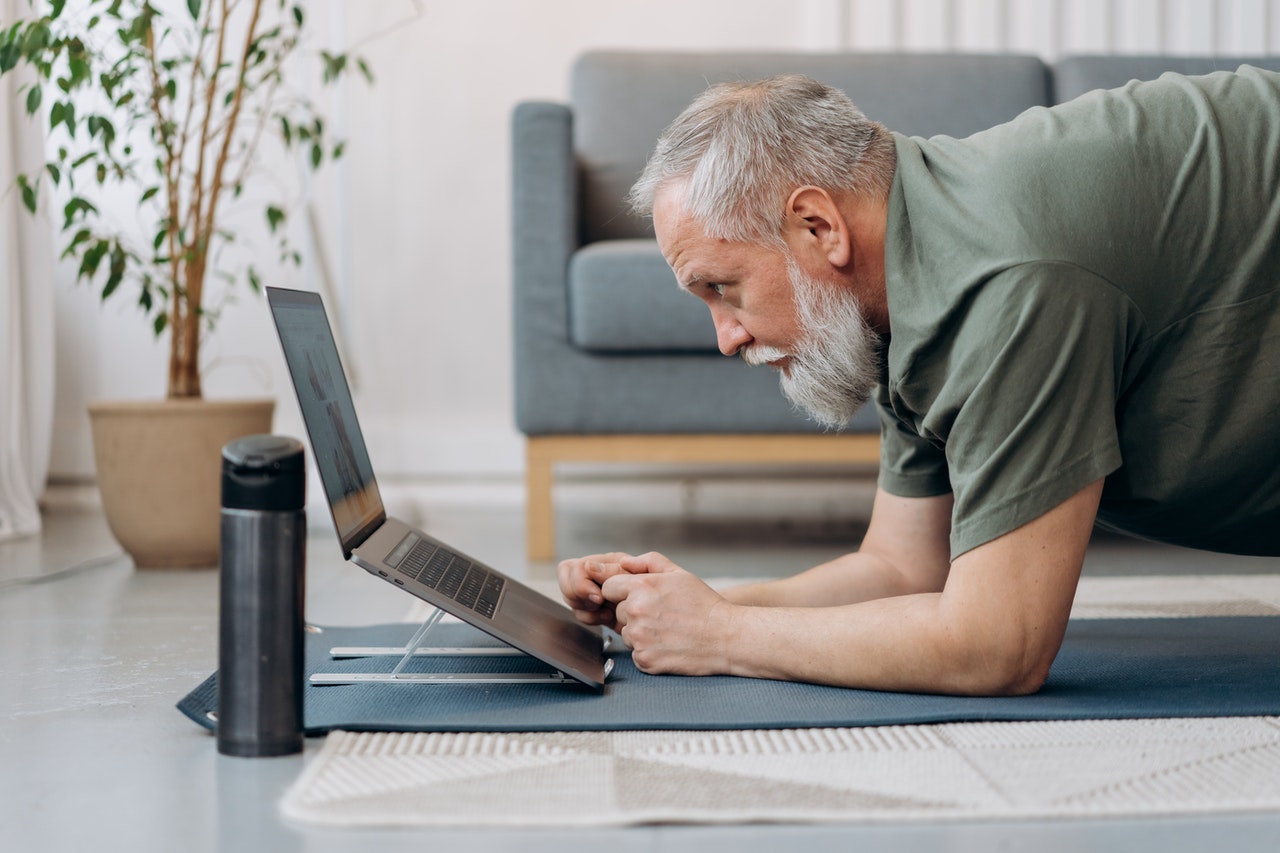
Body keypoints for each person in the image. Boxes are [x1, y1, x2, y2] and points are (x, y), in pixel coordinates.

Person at [557, 67, 1280, 696]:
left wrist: (726, 638)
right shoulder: (900, 281)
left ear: (817, 227)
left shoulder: (1002, 285)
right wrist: (690, 607)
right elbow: (902, 567)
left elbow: (1001, 646)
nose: (726, 337)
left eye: (724, 287)